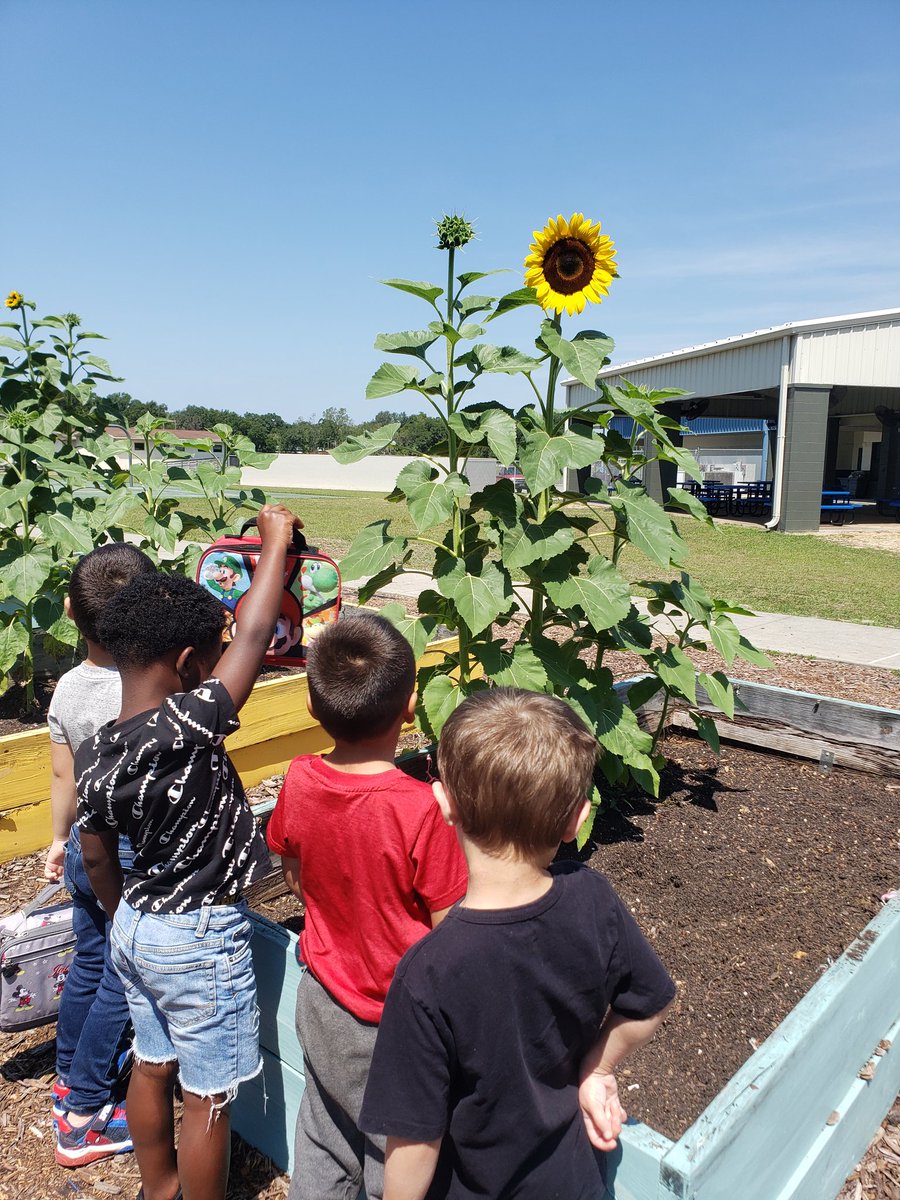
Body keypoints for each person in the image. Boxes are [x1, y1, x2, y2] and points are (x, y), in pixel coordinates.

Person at [359, 688, 677, 1200]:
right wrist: (597, 1068)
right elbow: (649, 1002)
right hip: (574, 1182)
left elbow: (415, 1141)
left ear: (443, 804)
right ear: (577, 819)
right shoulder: (592, 898)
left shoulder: (428, 974)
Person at [75, 503, 302, 1200]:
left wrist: (121, 913)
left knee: (152, 1064)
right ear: (187, 664)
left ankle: (160, 1187)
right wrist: (274, 543)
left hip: (136, 924)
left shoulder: (97, 754)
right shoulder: (190, 723)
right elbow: (256, 631)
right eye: (211, 658)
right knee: (209, 1096)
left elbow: (95, 856)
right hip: (200, 934)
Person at [265, 614, 467, 1200]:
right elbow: (450, 936)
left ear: (311, 706)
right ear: (411, 707)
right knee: (395, 1154)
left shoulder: (300, 778)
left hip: (322, 998)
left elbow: (295, 875)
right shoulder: (421, 810)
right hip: (396, 1024)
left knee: (324, 1131)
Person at [44, 542, 156, 1167]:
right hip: (130, 851)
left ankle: (67, 1076)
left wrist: (58, 840)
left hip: (83, 843)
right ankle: (85, 1111)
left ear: (70, 611)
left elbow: (63, 776)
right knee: (122, 972)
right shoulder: (145, 686)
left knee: (89, 960)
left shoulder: (68, 687)